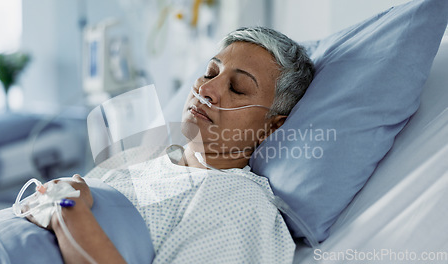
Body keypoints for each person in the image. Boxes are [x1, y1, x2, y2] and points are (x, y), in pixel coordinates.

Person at [31, 26, 315, 263]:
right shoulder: (136, 160)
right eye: (210, 72)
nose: (206, 90)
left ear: (272, 125)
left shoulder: (239, 204)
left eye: (237, 88)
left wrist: (68, 212)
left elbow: (63, 205)